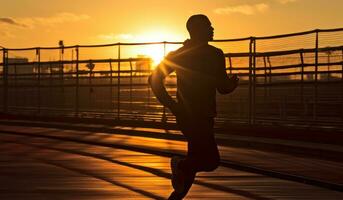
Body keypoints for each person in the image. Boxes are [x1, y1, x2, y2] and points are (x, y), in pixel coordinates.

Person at [148, 14, 239, 200]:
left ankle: (176, 195)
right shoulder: (214, 54)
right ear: (197, 30)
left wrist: (172, 105)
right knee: (211, 161)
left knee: (195, 159)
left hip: (194, 115)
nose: (212, 29)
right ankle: (180, 165)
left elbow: (155, 79)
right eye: (208, 26)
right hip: (196, 116)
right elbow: (224, 88)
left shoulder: (185, 55)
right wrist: (231, 84)